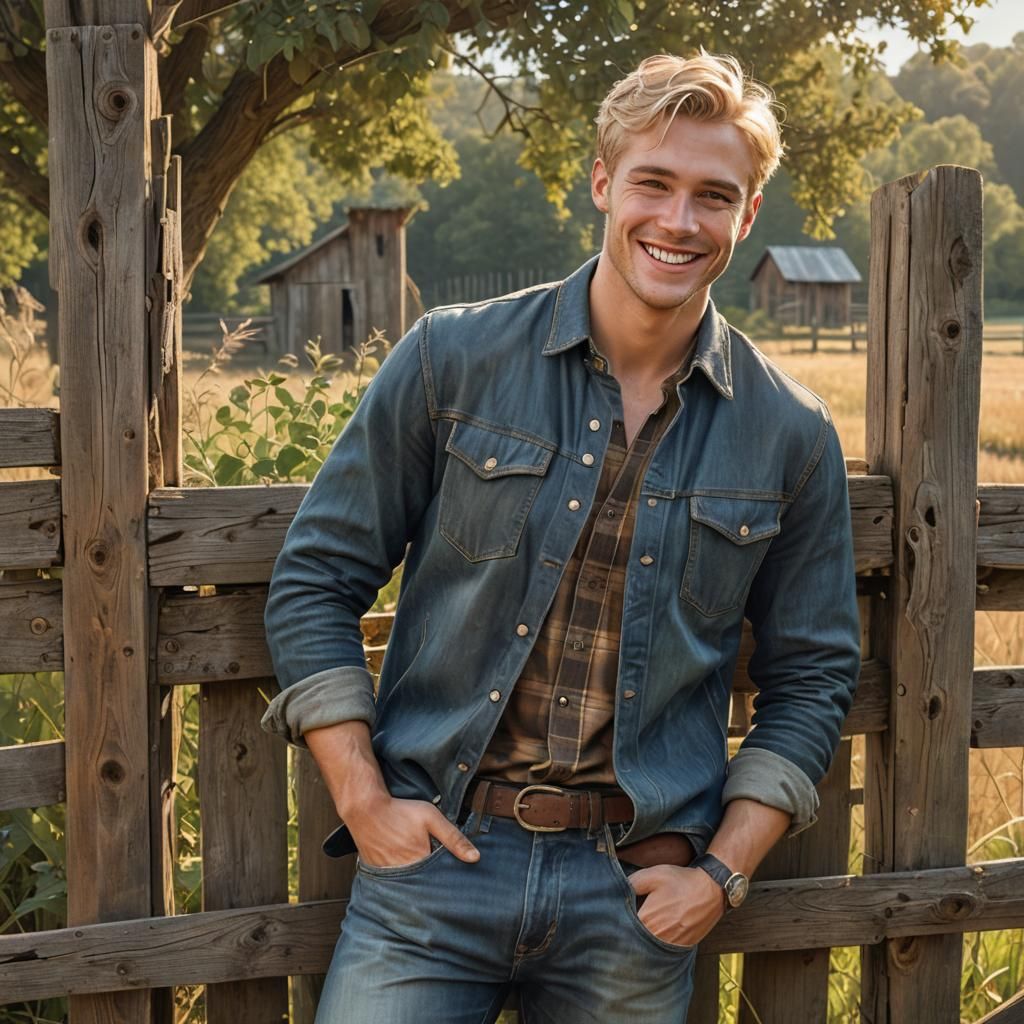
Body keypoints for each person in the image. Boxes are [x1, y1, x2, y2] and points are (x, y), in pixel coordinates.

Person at [262, 51, 861, 1023]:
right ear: (601, 183)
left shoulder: (788, 432)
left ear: (747, 215)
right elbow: (316, 578)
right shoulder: (452, 357)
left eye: (713, 196)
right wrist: (364, 802)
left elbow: (813, 673)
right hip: (433, 865)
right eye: (653, 183)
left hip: (634, 892)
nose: (678, 220)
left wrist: (720, 875)